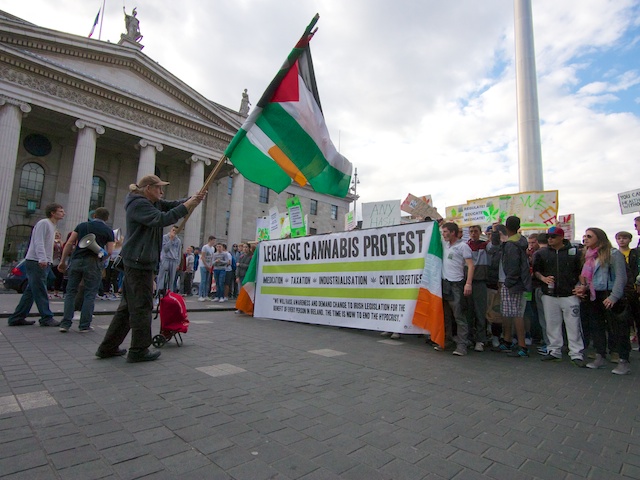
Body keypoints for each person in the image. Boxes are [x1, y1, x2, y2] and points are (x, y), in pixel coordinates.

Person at [96, 175, 205, 362]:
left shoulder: (151, 202)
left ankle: (108, 347)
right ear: (148, 188)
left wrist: (193, 199)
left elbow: (172, 205)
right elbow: (163, 219)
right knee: (142, 306)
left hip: (140, 260)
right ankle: (139, 350)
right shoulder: (138, 204)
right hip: (139, 262)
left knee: (127, 307)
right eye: (159, 188)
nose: (161, 192)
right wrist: (188, 205)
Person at [533, 226, 585, 366]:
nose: (550, 239)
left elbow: (581, 271)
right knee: (551, 324)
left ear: (562, 237)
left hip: (569, 294)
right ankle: (554, 351)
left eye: (553, 236)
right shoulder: (541, 253)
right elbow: (536, 271)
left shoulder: (574, 253)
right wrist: (543, 279)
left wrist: (581, 285)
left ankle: (576, 353)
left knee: (573, 324)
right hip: (549, 294)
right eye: (548, 236)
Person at [580, 228, 629, 374]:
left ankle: (623, 360)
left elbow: (621, 277)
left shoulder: (613, 254)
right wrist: (582, 288)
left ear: (599, 238)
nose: (586, 239)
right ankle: (600, 356)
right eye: (585, 236)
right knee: (597, 327)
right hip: (594, 295)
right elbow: (587, 277)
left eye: (589, 236)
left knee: (617, 330)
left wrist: (614, 296)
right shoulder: (589, 256)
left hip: (610, 295)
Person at [57, 207, 115, 332]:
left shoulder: (82, 226)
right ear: (107, 218)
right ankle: (84, 325)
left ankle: (65, 324)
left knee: (71, 292)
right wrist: (102, 258)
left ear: (94, 215)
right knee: (90, 293)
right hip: (93, 262)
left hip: (76, 260)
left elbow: (69, 243)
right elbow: (110, 251)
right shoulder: (108, 231)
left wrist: (62, 261)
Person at [8, 203, 65, 327]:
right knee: (40, 289)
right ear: (52, 213)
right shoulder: (44, 223)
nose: (63, 213)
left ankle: (17, 317)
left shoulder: (52, 225)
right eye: (60, 211)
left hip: (42, 261)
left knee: (31, 291)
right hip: (36, 261)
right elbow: (38, 241)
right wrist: (42, 258)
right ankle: (46, 317)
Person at [440, 222, 474, 356]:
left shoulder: (463, 246)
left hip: (456, 285)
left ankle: (462, 345)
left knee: (459, 316)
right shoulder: (445, 245)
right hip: (445, 284)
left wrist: (468, 283)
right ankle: (447, 340)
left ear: (453, 232)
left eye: (445, 232)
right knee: (446, 315)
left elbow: (471, 266)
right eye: (442, 232)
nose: (443, 235)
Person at [499, 216, 531, 358]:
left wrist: (508, 283)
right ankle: (508, 340)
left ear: (506, 227)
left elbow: (513, 266)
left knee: (516, 314)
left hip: (512, 283)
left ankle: (522, 346)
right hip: (516, 282)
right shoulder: (519, 241)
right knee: (510, 313)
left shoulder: (512, 244)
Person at [466, 225, 489, 351]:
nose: (473, 234)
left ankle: (480, 340)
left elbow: (495, 244)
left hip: (480, 282)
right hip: (467, 283)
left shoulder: (485, 246)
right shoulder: (465, 246)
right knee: (468, 313)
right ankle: (469, 338)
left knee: (480, 313)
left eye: (475, 231)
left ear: (480, 232)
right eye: (471, 231)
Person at [157, 225, 181, 293]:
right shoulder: (165, 237)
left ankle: (169, 294)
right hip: (166, 259)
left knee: (171, 280)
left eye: (175, 231)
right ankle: (158, 294)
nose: (174, 232)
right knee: (161, 278)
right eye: (173, 230)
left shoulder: (178, 240)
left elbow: (178, 252)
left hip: (174, 260)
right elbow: (165, 249)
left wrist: (178, 263)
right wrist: (170, 239)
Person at [198, 236, 215, 301]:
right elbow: (203, 257)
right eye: (213, 240)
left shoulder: (212, 248)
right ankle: (200, 295)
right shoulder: (205, 247)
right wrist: (206, 265)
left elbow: (212, 257)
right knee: (203, 280)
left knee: (207, 281)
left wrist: (210, 265)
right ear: (210, 240)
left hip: (209, 265)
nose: (214, 242)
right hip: (203, 266)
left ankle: (205, 295)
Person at [51, 231, 64, 298]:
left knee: (59, 277)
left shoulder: (61, 242)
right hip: (53, 261)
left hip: (59, 261)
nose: (57, 235)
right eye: (55, 234)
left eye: (58, 234)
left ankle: (56, 291)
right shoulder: (52, 242)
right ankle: (49, 290)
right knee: (52, 276)